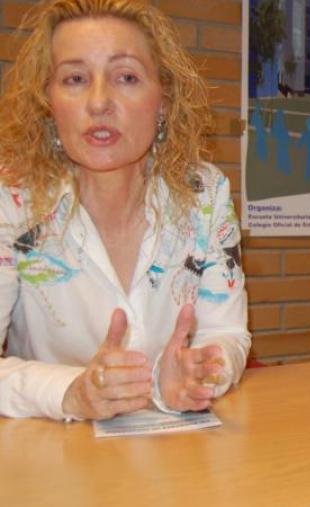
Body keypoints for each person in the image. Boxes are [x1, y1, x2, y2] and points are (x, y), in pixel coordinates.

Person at [0, 0, 250, 420]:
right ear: (48, 102)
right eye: (75, 78)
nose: (99, 102)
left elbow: (226, 334)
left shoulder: (204, 195)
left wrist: (200, 373)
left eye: (126, 77)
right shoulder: (11, 200)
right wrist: (70, 393)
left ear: (164, 100)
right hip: (51, 457)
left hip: (176, 455)